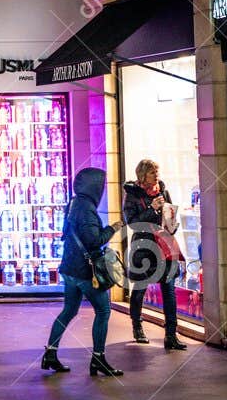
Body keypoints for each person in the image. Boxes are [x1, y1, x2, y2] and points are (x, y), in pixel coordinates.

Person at [42, 167, 123, 377]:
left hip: (69, 267)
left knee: (68, 310)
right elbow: (94, 240)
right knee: (103, 311)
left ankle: (50, 353)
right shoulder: (87, 208)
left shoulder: (73, 203)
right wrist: (113, 228)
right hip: (85, 271)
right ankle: (98, 358)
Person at [122, 159, 188, 350]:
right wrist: (152, 209)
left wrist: (171, 221)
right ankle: (137, 326)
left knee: (169, 289)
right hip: (143, 247)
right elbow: (133, 224)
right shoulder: (132, 195)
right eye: (152, 172)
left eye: (157, 171)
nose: (156, 175)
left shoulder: (163, 191)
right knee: (140, 287)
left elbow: (168, 219)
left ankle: (171, 334)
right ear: (143, 175)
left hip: (163, 246)